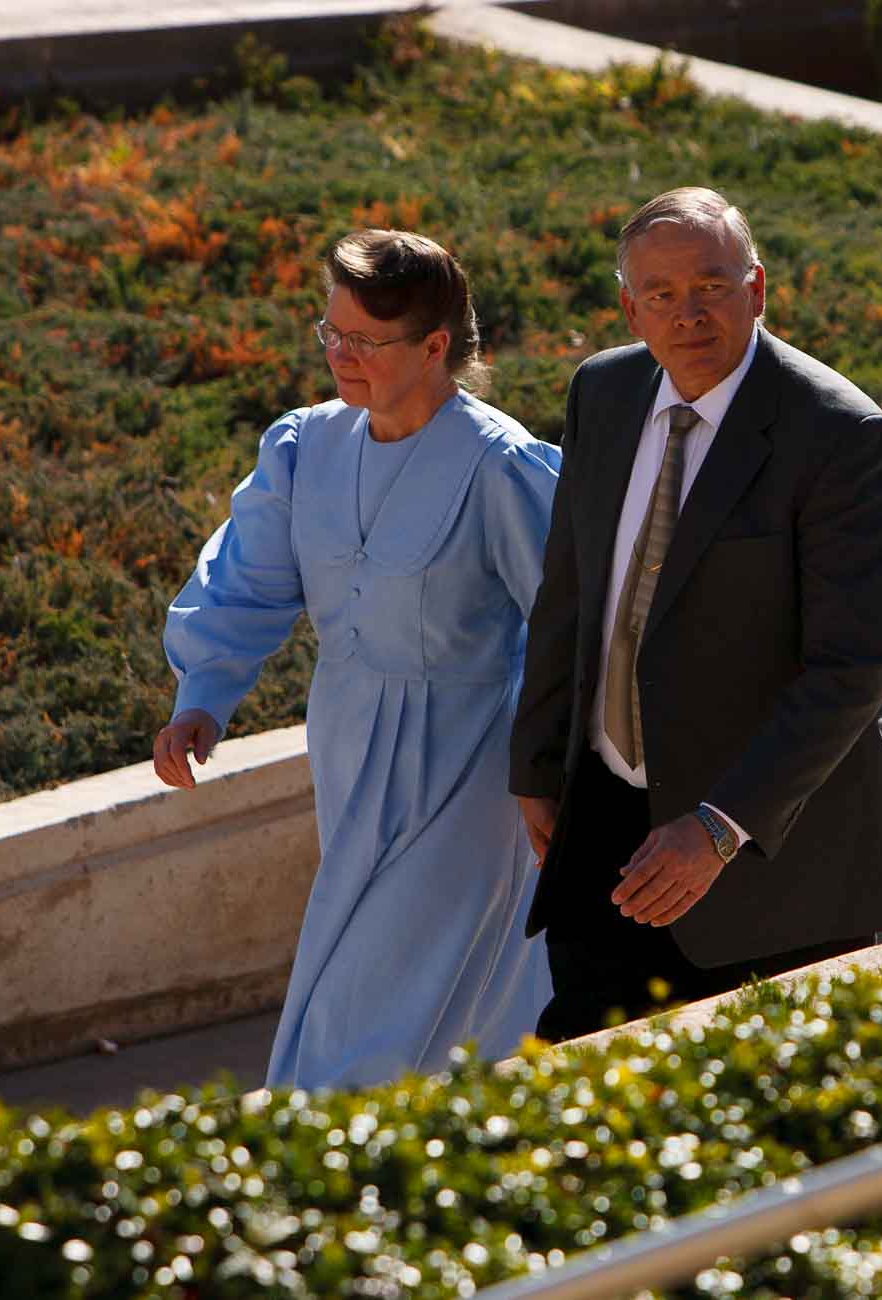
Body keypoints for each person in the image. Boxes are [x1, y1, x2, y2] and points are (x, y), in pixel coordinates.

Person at [510, 187, 882, 1042]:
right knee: (586, 1080)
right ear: (630, 308)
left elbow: (851, 668)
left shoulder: (841, 437)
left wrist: (718, 828)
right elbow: (571, 588)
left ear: (758, 289)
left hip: (776, 857)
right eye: (659, 294)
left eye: (711, 286)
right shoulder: (604, 393)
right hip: (608, 827)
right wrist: (539, 760)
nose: (686, 313)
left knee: (784, 1119)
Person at [153, 229, 559, 1089]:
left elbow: (571, 625)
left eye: (365, 342)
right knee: (434, 998)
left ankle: (310, 1155)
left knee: (375, 994)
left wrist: (548, 770)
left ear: (436, 346)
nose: (340, 355)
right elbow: (245, 581)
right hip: (346, 744)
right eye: (330, 333)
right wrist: (203, 697)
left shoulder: (501, 464)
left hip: (472, 766)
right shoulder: (304, 446)